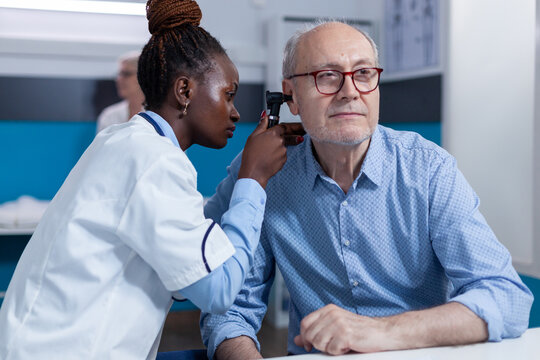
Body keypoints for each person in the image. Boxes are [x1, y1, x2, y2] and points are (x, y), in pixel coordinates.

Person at [200, 21, 534, 359]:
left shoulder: (429, 171)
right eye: (327, 76)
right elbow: (229, 311)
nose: (350, 91)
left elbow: (506, 298)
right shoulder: (268, 173)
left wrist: (380, 331)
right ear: (292, 96)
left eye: (363, 73)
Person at [0, 0, 302, 358]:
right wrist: (254, 179)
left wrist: (243, 171)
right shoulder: (155, 160)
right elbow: (219, 287)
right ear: (185, 91)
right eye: (228, 95)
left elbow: (191, 254)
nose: (236, 112)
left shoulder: (126, 142)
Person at [96, 50, 145, 133]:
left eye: (126, 74)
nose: (118, 79)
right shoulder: (110, 116)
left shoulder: (161, 115)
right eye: (119, 74)